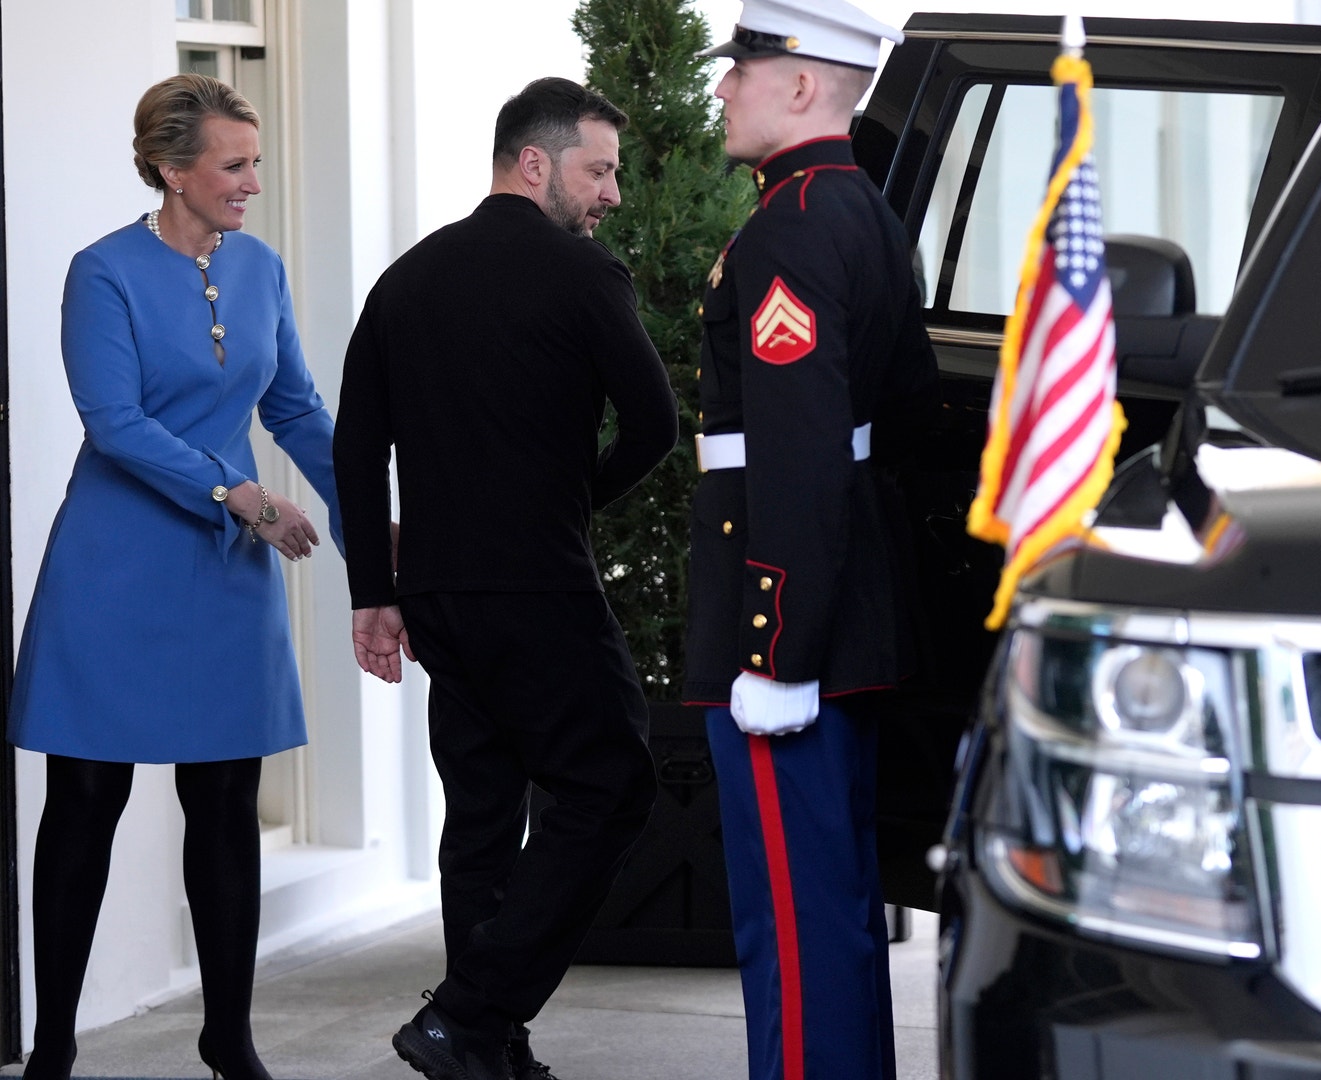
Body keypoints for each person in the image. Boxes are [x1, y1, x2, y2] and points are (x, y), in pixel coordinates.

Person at [332, 77, 676, 1080]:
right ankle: (468, 1015)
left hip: (437, 595)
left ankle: (486, 1044)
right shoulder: (583, 276)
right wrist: (569, 507)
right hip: (541, 587)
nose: (611, 192)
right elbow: (653, 427)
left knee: (482, 813)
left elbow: (358, 448)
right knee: (612, 785)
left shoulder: (405, 279)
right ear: (537, 161)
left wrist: (372, 591)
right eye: (599, 168)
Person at [7, 74, 344, 1080]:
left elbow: (294, 407)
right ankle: (55, 1045)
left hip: (223, 582)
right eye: (234, 165)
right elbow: (114, 425)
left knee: (228, 804)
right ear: (170, 167)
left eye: (254, 163)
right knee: (86, 802)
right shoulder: (102, 272)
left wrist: (375, 514)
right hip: (114, 570)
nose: (251, 183)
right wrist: (238, 494)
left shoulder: (260, 269)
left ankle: (228, 1038)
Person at [683, 2, 939, 1076]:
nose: (723, 88)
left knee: (792, 925)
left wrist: (773, 647)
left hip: (792, 640)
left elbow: (797, 452)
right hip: (850, 618)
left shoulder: (792, 225)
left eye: (742, 68)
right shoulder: (860, 211)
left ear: (800, 82)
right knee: (827, 912)